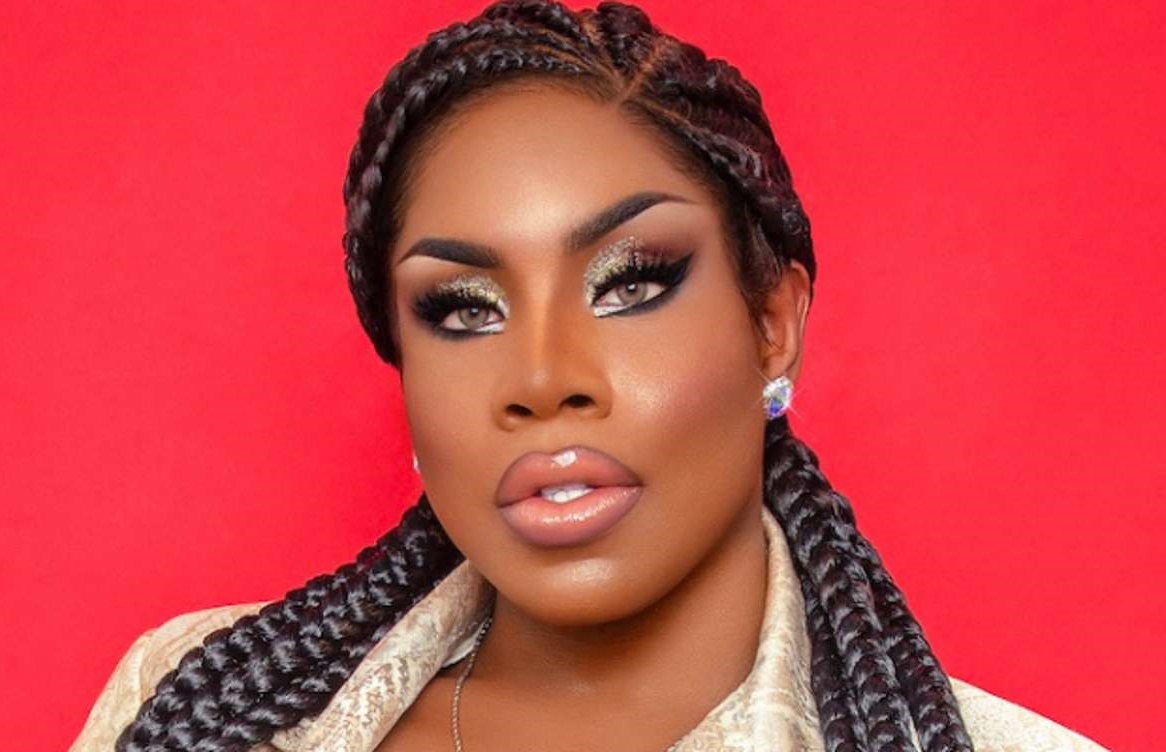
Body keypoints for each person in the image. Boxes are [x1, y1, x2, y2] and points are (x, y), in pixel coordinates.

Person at [70, 1, 1109, 750]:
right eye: (462, 309)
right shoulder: (196, 705)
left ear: (773, 324)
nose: (542, 377)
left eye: (631, 283)